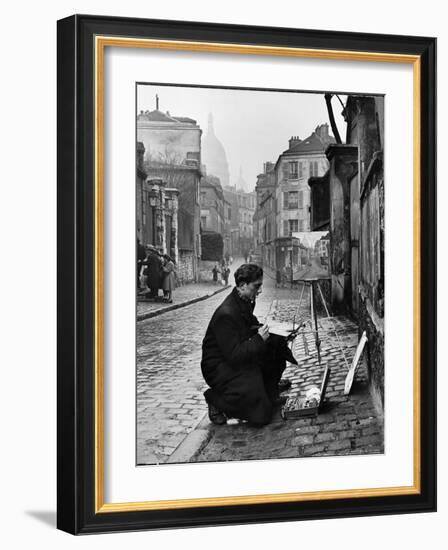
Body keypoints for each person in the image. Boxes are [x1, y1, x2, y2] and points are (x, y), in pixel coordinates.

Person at [201, 264, 295, 427]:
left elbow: (250, 326)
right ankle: (215, 399)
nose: (259, 291)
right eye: (256, 286)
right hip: (219, 368)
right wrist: (259, 339)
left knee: (276, 344)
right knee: (261, 416)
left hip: (236, 358)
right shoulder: (226, 314)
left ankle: (269, 392)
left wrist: (281, 334)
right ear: (243, 285)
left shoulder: (245, 300)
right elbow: (234, 356)